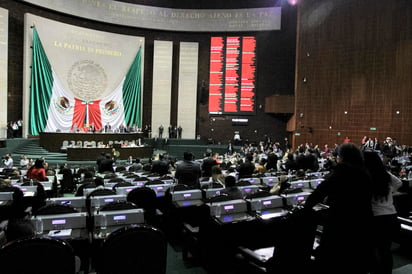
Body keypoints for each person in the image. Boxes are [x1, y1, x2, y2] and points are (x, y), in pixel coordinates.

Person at [304, 142, 374, 274]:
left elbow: (320, 192)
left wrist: (306, 208)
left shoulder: (342, 170)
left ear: (342, 157)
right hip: (363, 220)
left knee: (335, 259)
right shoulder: (365, 172)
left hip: (341, 221)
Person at [363, 151, 402, 274]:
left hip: (375, 219)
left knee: (373, 251)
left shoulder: (365, 175)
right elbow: (399, 183)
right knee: (385, 251)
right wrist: (390, 192)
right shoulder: (385, 174)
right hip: (391, 217)